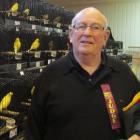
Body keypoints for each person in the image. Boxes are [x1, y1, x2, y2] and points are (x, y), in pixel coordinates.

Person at [25, 7, 140, 140]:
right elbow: (33, 130)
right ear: (71, 34)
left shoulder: (123, 73)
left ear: (105, 37)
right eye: (81, 26)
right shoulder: (49, 76)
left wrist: (137, 135)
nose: (87, 32)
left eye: (96, 27)